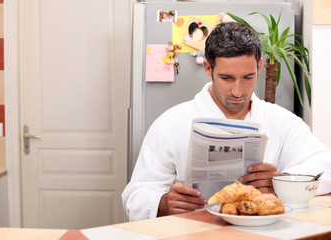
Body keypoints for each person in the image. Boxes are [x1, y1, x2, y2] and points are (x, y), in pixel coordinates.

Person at [122, 22, 331, 221]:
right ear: (207, 68)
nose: (238, 91)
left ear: (259, 67)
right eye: (227, 78)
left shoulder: (282, 121)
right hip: (194, 233)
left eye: (248, 77)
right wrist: (165, 203)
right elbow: (135, 195)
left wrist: (282, 182)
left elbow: (326, 166)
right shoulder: (170, 123)